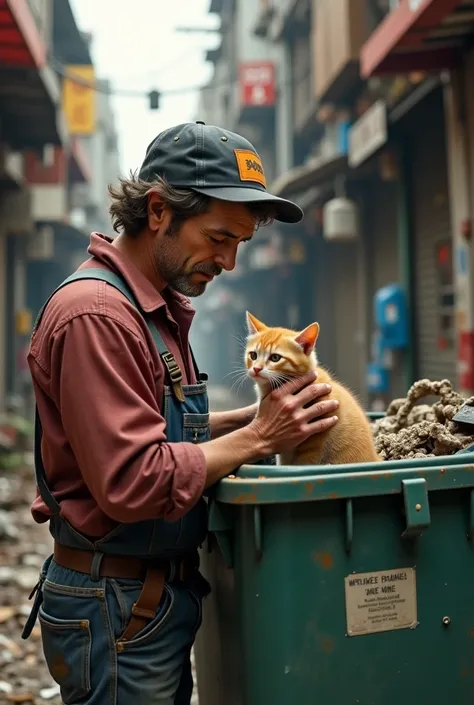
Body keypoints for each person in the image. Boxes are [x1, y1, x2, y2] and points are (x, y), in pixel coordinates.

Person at [21, 121, 339, 705]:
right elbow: (133, 479)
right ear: (159, 210)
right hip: (117, 606)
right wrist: (259, 437)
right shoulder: (99, 315)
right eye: (219, 237)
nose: (230, 261)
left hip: (145, 600)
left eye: (240, 242)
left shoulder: (153, 308)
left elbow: (166, 430)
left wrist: (250, 419)